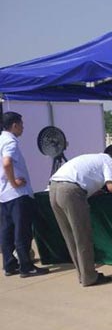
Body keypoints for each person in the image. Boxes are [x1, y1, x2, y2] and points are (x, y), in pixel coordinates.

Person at [49, 145, 112, 287]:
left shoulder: (93, 158)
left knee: (70, 237)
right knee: (82, 237)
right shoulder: (110, 162)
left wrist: (91, 191)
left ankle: (83, 275)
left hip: (54, 188)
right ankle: (89, 277)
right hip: (71, 192)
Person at [0, 111, 49, 278]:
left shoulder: (0, 139)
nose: (23, 127)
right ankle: (26, 266)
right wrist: (14, 183)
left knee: (6, 231)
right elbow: (7, 162)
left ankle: (9, 265)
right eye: (21, 124)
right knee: (22, 231)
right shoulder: (10, 142)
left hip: (3, 194)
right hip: (17, 194)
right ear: (14, 125)